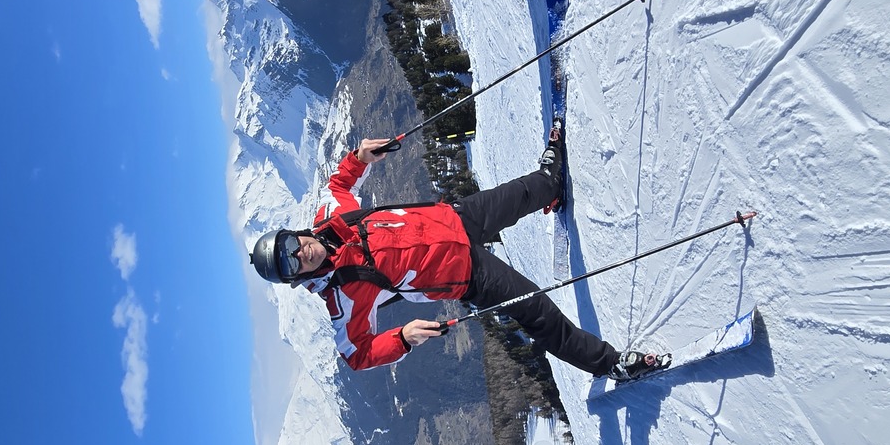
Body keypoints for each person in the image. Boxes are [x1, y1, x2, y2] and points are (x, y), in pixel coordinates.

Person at [249, 137, 658, 380]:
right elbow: (356, 355)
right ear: (296, 278)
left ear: (293, 233)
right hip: (467, 275)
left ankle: (550, 184)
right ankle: (609, 364)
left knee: (522, 193)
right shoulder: (343, 296)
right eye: (292, 264)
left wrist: (360, 156)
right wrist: (402, 338)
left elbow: (339, 183)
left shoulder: (331, 215)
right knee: (538, 312)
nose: (299, 254)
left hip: (453, 218)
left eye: (290, 246)